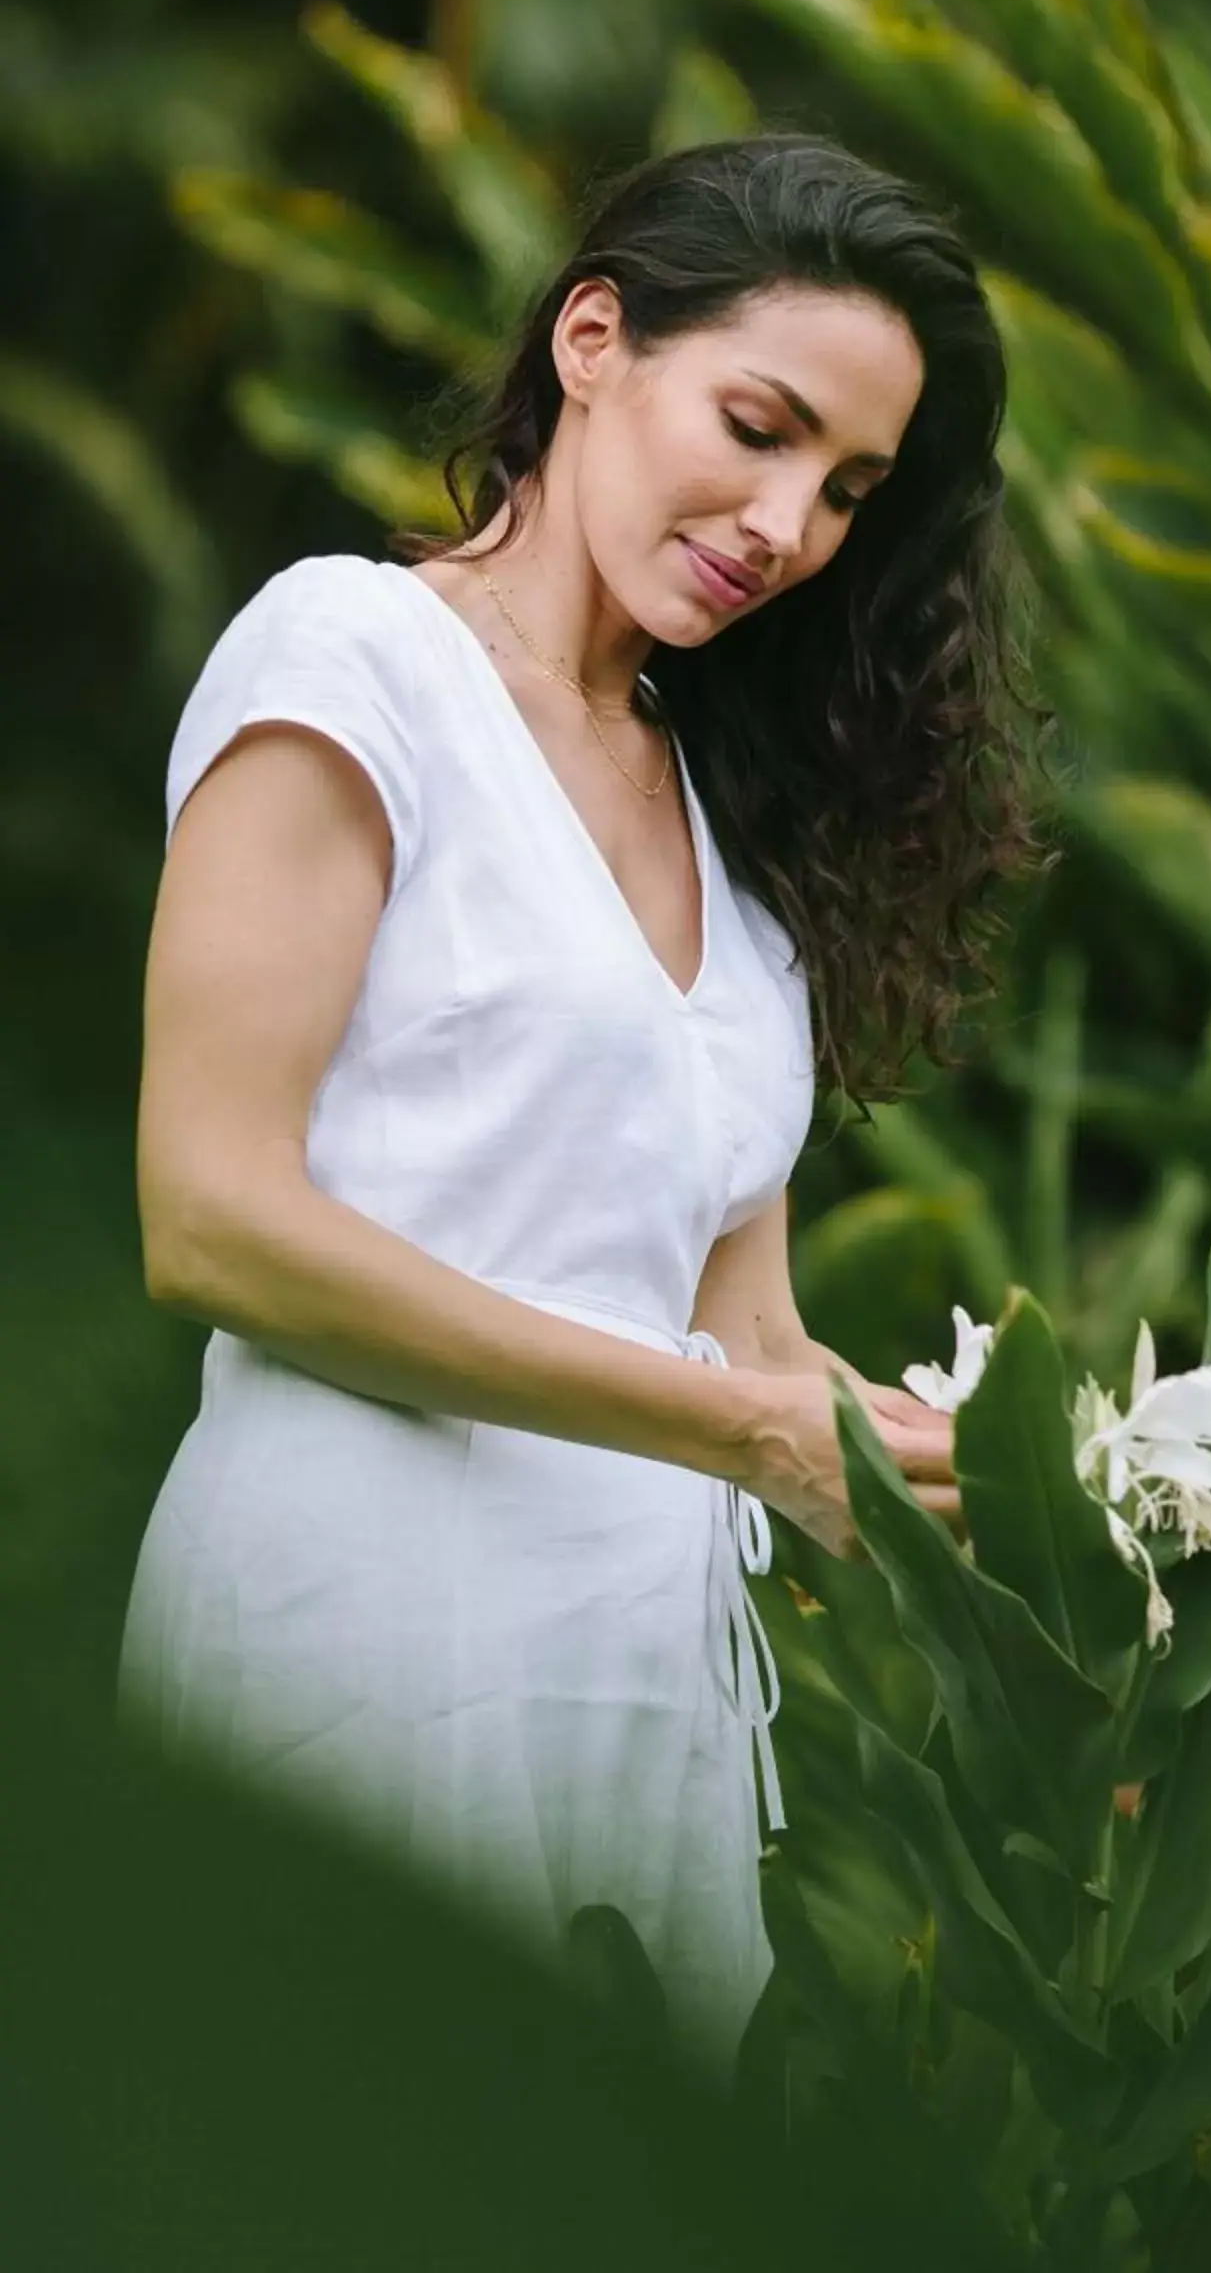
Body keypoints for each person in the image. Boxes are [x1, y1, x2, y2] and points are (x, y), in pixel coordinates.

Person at [119, 132, 1053, 2052]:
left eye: (850, 490)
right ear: (596, 338)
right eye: (760, 425)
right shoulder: (352, 658)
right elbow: (210, 1214)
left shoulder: (723, 818)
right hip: (356, 1651)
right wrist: (737, 1438)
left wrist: (1011, 1472)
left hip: (635, 1694)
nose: (789, 522)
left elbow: (741, 1338)